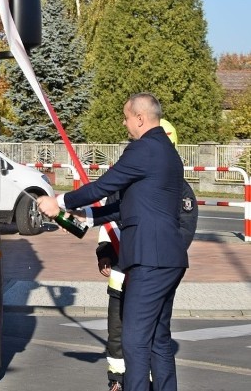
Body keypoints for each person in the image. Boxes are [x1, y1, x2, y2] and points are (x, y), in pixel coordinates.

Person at [36, 93, 188, 391]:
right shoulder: (166, 152)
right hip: (169, 258)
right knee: (158, 339)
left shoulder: (143, 149)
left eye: (127, 116)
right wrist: (85, 218)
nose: (124, 122)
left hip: (149, 258)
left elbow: (104, 186)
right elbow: (126, 205)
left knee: (134, 341)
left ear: (140, 118)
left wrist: (59, 201)